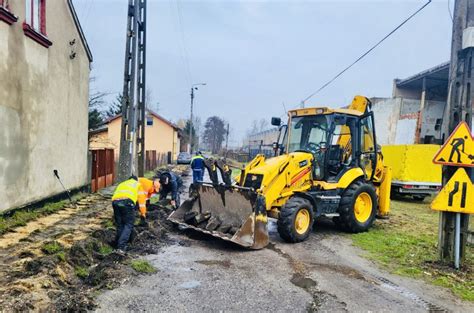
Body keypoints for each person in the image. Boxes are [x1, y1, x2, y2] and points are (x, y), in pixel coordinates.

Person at [111, 176, 140, 253]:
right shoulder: (137, 184)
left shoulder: (122, 183)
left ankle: (118, 244)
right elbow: (140, 198)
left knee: (120, 224)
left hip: (115, 202)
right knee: (128, 224)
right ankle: (121, 247)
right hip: (127, 202)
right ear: (136, 180)